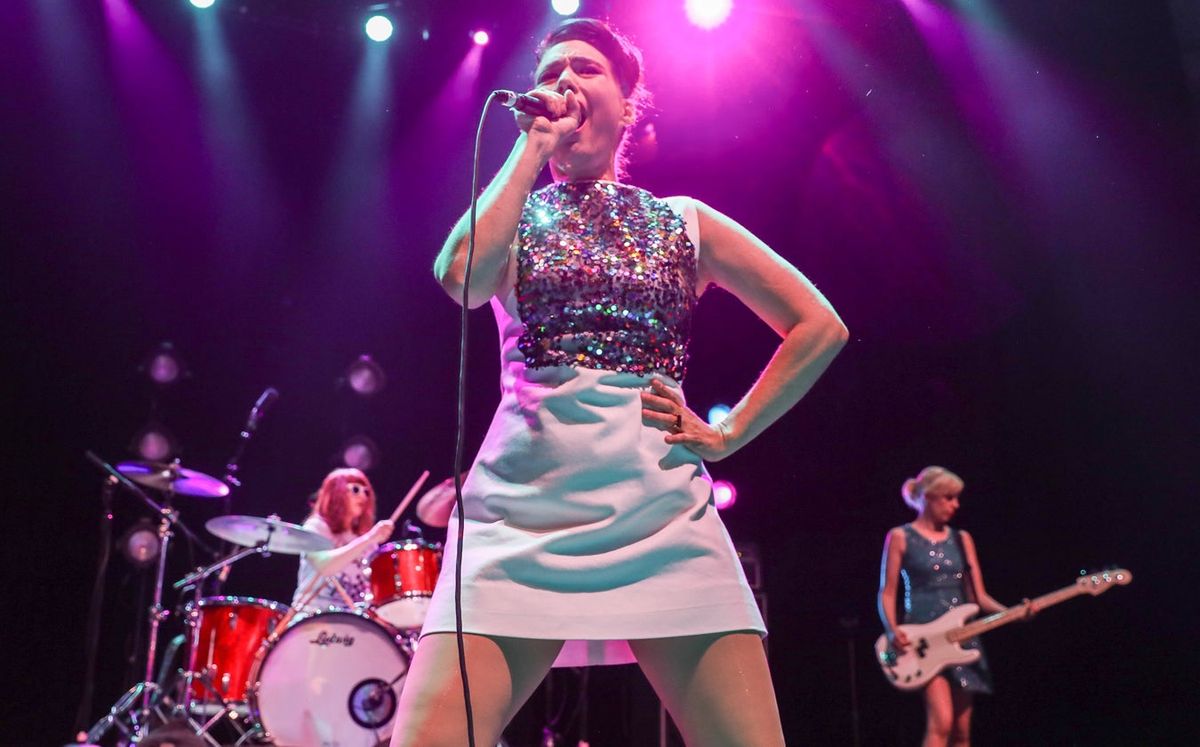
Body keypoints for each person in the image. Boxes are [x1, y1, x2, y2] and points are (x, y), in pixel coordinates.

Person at [391, 18, 848, 747]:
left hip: (662, 518)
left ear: (628, 105)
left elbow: (818, 325)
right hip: (517, 523)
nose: (564, 81)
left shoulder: (682, 222)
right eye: (550, 73)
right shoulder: (512, 217)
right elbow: (460, 278)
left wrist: (729, 431)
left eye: (585, 68)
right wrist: (531, 148)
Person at [876, 466, 1034, 747]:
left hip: (962, 636)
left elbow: (979, 597)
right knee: (942, 721)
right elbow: (887, 592)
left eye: (957, 498)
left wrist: (1012, 613)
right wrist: (891, 628)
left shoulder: (962, 539)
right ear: (928, 497)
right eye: (948, 498)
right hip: (924, 638)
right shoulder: (900, 536)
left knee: (961, 730)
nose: (955, 505)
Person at [293, 467, 394, 612]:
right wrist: (369, 538)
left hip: (353, 618)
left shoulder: (368, 540)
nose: (363, 496)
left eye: (366, 492)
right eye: (355, 489)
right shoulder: (316, 527)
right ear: (335, 492)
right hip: (313, 614)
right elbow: (324, 567)